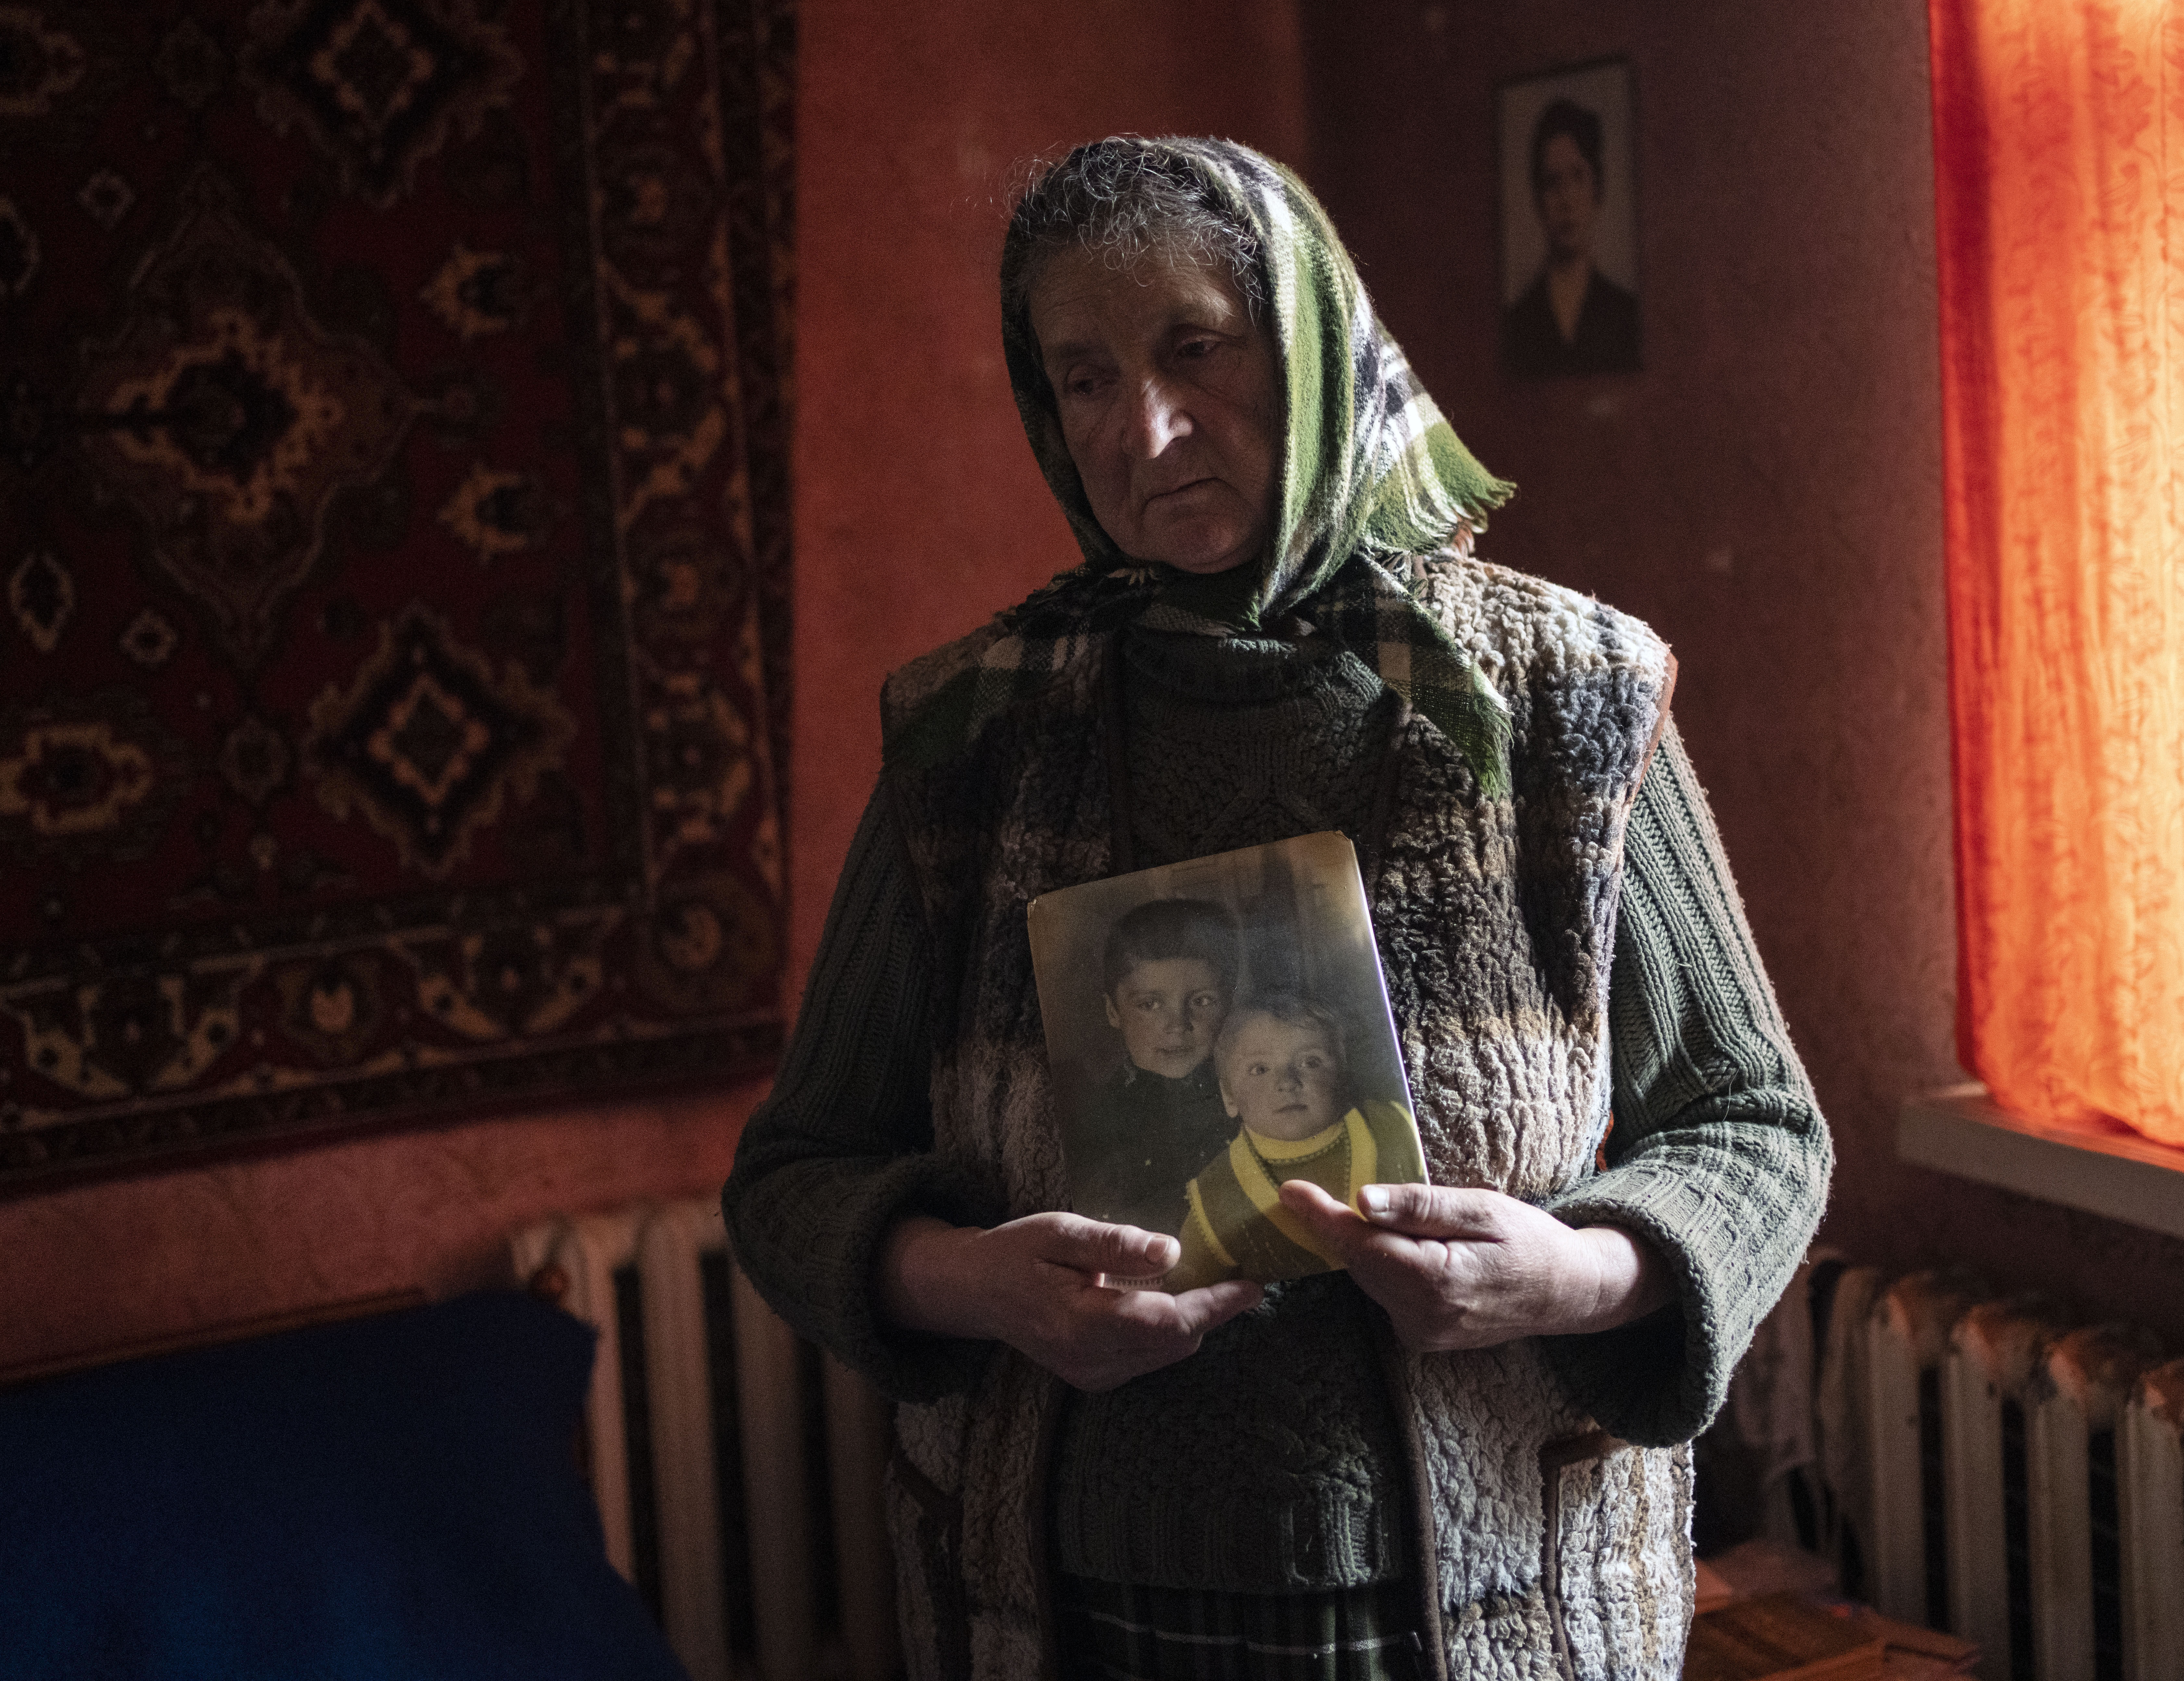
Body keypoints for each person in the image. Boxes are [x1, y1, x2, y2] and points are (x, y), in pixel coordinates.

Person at [726, 136, 1827, 1680]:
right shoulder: (975, 741)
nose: (1146, 428)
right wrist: (979, 1283)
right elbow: (791, 1177)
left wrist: (1572, 1273)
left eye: (1194, 349)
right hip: (1073, 1622)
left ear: (1306, 341)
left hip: (1502, 1622)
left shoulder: (1560, 700)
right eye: (1084, 378)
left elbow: (1758, 1124)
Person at [1160, 993, 1426, 1292]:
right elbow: (1183, 1293)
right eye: (1259, 1069)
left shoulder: (1394, 1127)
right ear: (1229, 1096)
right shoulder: (1218, 1195)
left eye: (1311, 1062)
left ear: (1342, 1074)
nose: (1288, 1082)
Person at [1065, 898, 1243, 1239]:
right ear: (1114, 1011)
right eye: (1149, 1004)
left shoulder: (1252, 1090)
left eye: (1201, 1001)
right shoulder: (1099, 1118)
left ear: (1229, 1002)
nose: (1178, 1025)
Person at [1502, 97, 1641, 376]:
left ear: (1597, 190)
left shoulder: (1627, 315)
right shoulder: (1517, 323)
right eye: (1553, 183)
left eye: (1578, 177)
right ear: (1538, 199)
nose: (1566, 200)